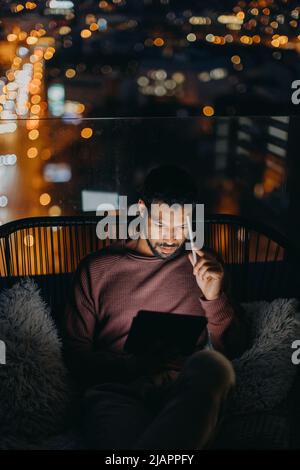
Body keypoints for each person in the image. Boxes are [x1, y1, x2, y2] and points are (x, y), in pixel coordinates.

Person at [63, 164, 246, 450]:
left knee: (214, 368)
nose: (172, 238)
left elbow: (233, 351)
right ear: (140, 211)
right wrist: (135, 366)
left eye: (182, 226)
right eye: (161, 225)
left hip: (185, 389)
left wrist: (214, 298)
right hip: (119, 391)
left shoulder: (206, 266)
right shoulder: (97, 270)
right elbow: (75, 356)